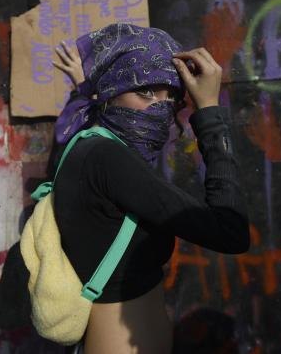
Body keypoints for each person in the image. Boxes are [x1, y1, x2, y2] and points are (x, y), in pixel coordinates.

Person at [51, 23, 249, 354]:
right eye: (145, 92)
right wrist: (211, 114)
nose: (160, 107)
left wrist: (85, 87)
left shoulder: (87, 146)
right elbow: (232, 231)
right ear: (112, 90)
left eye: (170, 95)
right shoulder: (108, 159)